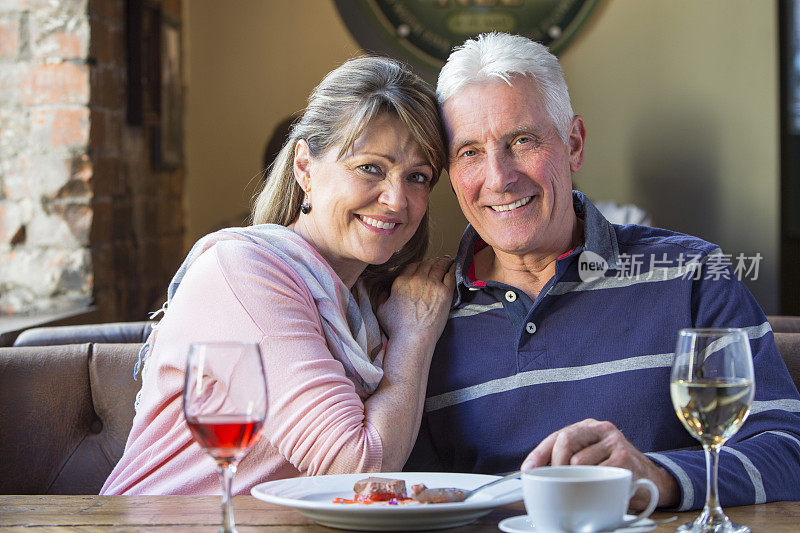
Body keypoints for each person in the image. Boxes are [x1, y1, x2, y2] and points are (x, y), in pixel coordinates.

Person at [406, 32, 800, 511]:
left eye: (523, 140)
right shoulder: (421, 311)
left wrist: (654, 479)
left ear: (574, 144)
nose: (499, 177)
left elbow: (787, 451)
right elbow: (403, 492)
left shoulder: (693, 274)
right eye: (469, 152)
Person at [102, 55, 455, 495]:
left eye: (418, 177)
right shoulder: (245, 272)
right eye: (371, 168)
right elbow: (353, 467)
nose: (397, 199)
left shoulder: (363, 301)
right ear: (304, 166)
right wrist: (414, 339)